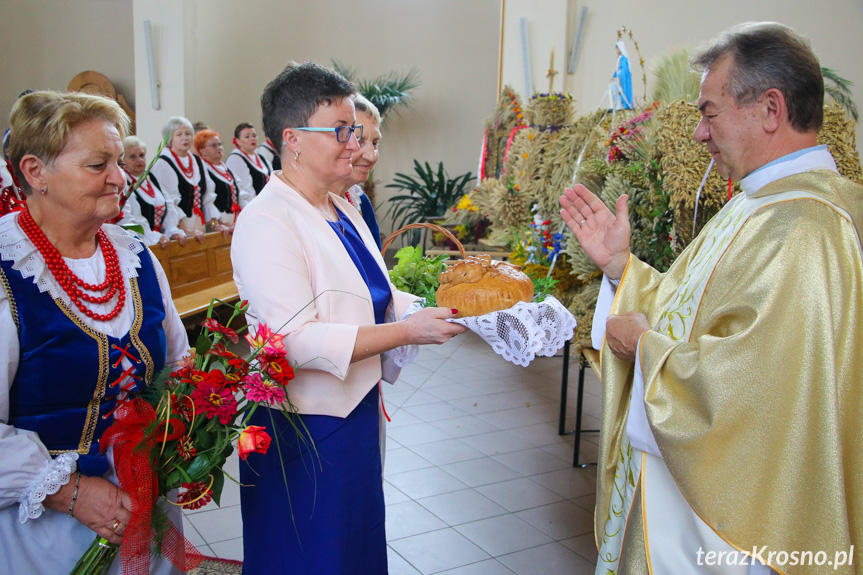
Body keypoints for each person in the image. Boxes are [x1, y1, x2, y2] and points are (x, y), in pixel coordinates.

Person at [560, 22, 862, 574]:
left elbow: (759, 394)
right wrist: (620, 267)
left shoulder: (804, 228)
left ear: (770, 109)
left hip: (735, 534)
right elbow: (698, 313)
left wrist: (645, 347)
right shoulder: (765, 204)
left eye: (709, 112)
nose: (699, 133)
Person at [231, 62, 466, 574]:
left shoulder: (341, 207)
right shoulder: (268, 221)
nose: (354, 145)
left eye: (354, 130)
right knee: (310, 554)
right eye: (340, 131)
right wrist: (408, 333)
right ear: (292, 138)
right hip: (302, 428)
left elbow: (370, 292)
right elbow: (289, 342)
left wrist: (426, 309)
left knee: (353, 548)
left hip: (353, 414)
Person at [0, 91, 189, 573]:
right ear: (35, 172)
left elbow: (177, 365)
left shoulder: (136, 256)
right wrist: (71, 491)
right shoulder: (7, 272)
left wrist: (187, 443)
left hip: (147, 507)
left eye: (119, 161)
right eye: (97, 164)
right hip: (46, 533)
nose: (119, 178)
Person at [149, 116, 222, 237]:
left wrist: (214, 223)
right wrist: (184, 231)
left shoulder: (197, 161)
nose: (185, 138)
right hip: (177, 231)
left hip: (200, 226)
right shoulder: (163, 163)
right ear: (170, 138)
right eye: (179, 134)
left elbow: (208, 196)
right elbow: (169, 202)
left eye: (188, 133)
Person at [330, 94, 383, 249]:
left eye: (375, 143)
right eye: (360, 141)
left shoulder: (361, 202)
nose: (372, 156)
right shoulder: (307, 205)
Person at [118, 135, 185, 248]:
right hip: (141, 243)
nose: (139, 159)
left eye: (141, 155)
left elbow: (168, 205)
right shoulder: (123, 184)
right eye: (132, 157)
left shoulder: (151, 178)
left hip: (160, 241)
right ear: (123, 161)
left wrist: (172, 231)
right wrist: (155, 237)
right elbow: (131, 221)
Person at [195, 129, 239, 228]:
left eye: (220, 144)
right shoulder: (203, 170)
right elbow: (207, 199)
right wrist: (217, 223)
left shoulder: (225, 168)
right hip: (216, 225)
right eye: (214, 145)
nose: (219, 147)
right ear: (202, 151)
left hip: (232, 222)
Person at [225, 122, 271, 208]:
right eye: (247, 137)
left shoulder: (261, 158)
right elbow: (245, 190)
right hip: (254, 207)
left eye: (254, 136)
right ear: (237, 140)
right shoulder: (236, 159)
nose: (252, 139)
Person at [611, 41, 633, 110]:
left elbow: (623, 69)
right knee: (614, 88)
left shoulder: (624, 59)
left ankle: (624, 104)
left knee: (622, 90)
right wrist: (614, 76)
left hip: (622, 79)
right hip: (619, 78)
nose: (616, 50)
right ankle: (618, 104)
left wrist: (619, 74)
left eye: (617, 48)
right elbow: (617, 69)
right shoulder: (620, 58)